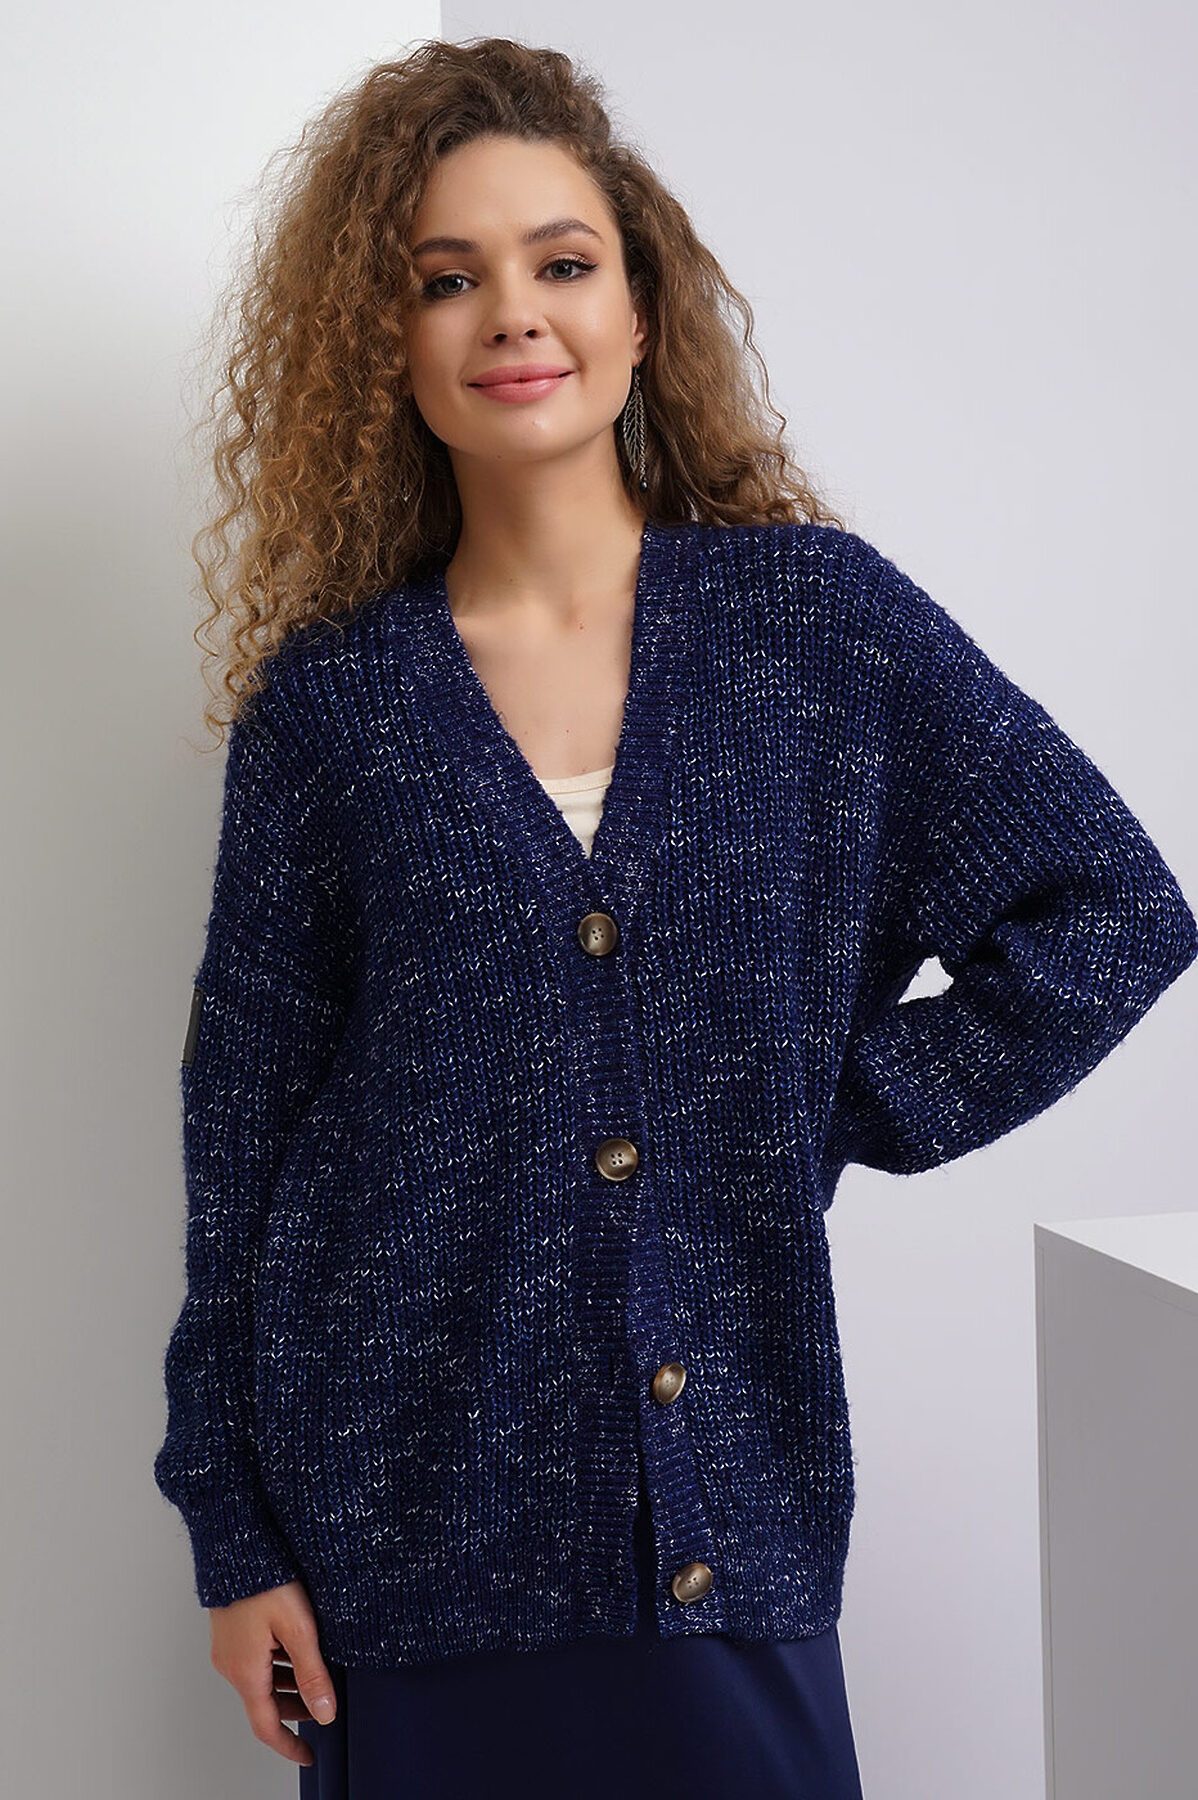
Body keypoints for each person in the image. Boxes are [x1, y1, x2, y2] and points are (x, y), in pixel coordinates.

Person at [152, 37, 1197, 1800]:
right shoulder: (332, 708)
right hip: (391, 1533)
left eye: (560, 262)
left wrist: (823, 1108)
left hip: (718, 1510)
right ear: (383, 343)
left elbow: (1111, 908)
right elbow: (240, 1138)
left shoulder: (811, 627)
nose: (511, 312)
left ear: (638, 312)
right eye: (444, 279)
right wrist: (231, 1531)